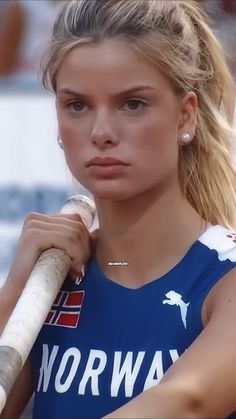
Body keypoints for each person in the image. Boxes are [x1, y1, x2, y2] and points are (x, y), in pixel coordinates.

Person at [1, 0, 236, 417]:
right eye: (77, 105)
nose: (101, 133)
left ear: (186, 116)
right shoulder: (48, 284)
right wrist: (17, 286)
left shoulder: (225, 276)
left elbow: (188, 402)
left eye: (132, 104)